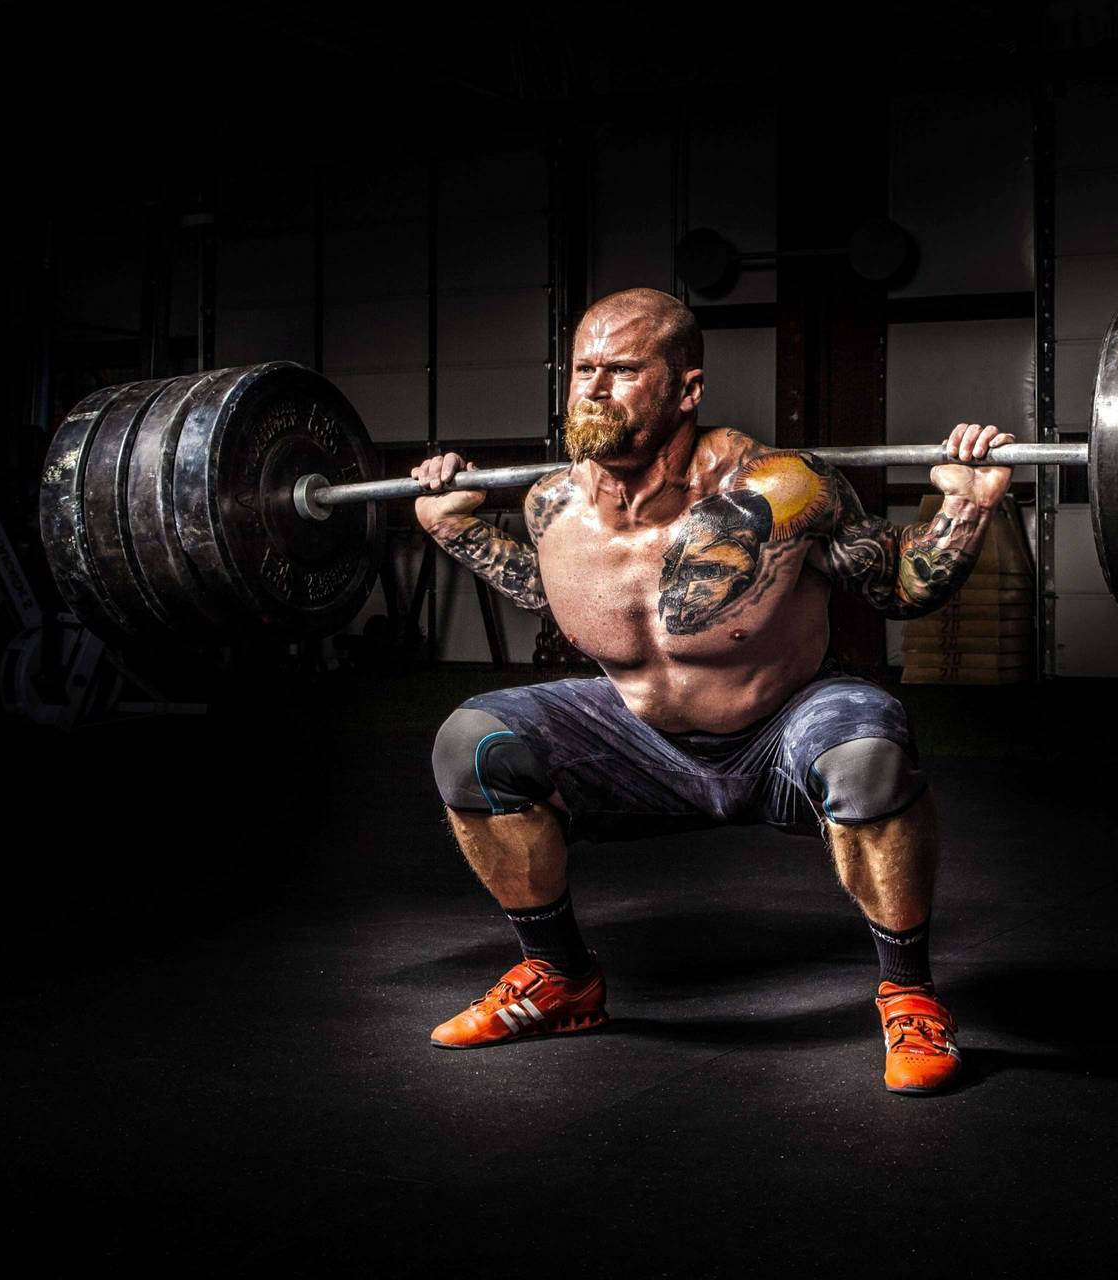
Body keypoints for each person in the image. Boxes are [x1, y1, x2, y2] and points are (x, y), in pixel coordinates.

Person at [412, 288, 1014, 1094]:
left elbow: (899, 584)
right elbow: (549, 592)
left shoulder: (786, 490)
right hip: (637, 740)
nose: (593, 388)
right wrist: (456, 529)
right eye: (583, 369)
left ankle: (909, 995)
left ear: (687, 390)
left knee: (869, 746)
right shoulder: (551, 504)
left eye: (622, 370)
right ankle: (560, 978)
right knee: (472, 743)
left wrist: (967, 507)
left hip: (779, 728)